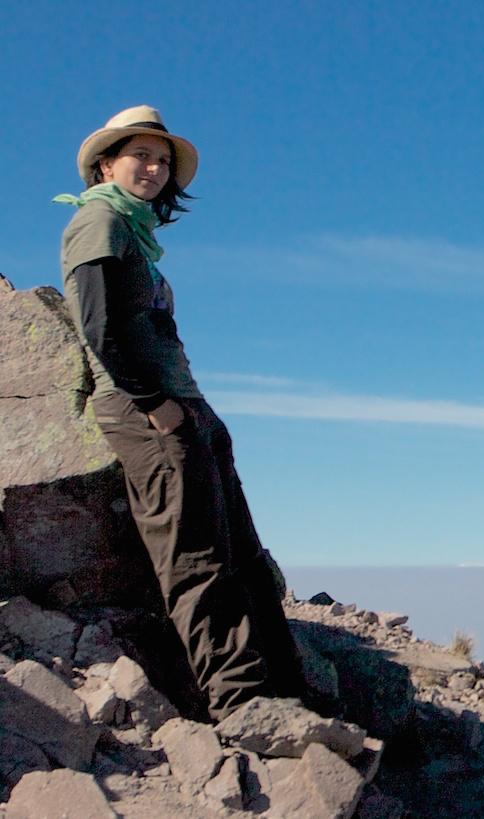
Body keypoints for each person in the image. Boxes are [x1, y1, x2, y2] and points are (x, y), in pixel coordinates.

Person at [56, 106, 306, 721]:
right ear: (106, 164)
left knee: (243, 558)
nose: (154, 168)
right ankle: (244, 705)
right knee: (197, 563)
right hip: (149, 412)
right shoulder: (99, 220)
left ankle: (292, 690)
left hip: (188, 409)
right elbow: (99, 327)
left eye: (163, 161)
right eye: (141, 155)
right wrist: (154, 404)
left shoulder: (133, 231)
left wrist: (190, 411)